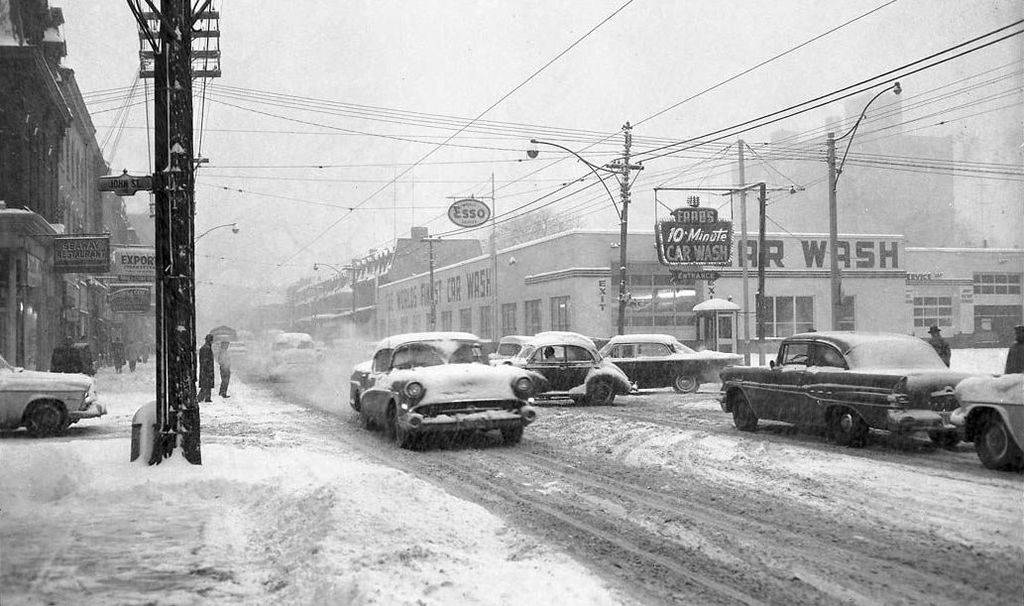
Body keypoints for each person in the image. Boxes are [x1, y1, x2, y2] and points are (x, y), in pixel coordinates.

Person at [197, 334, 215, 402]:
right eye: (211, 340)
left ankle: (207, 398)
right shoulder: (206, 348)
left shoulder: (207, 347)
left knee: (207, 385)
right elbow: (205, 361)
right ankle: (199, 398)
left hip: (206, 369)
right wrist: (208, 370)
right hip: (206, 370)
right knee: (205, 385)